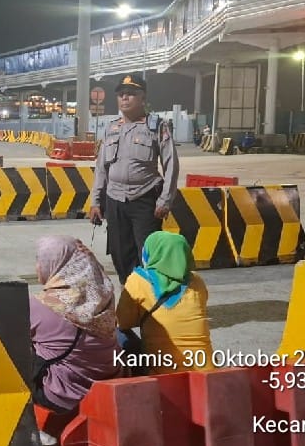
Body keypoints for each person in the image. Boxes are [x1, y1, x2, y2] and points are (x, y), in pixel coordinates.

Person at [88, 72, 180, 284]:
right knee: (120, 254)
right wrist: (96, 201)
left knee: (148, 255)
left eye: (131, 93)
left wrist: (165, 200)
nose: (125, 97)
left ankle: (149, 297)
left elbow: (171, 165)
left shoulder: (156, 126)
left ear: (143, 98)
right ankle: (128, 293)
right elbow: (101, 168)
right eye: (121, 94)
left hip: (145, 200)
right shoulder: (111, 128)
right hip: (115, 200)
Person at [30, 235, 125, 414]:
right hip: (109, 386)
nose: (37, 267)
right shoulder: (104, 294)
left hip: (64, 397)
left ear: (55, 264)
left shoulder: (40, 306)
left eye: (40, 261)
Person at [116, 231, 214, 376]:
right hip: (206, 371)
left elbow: (123, 323)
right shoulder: (197, 281)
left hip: (162, 374)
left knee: (117, 334)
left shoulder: (138, 280)